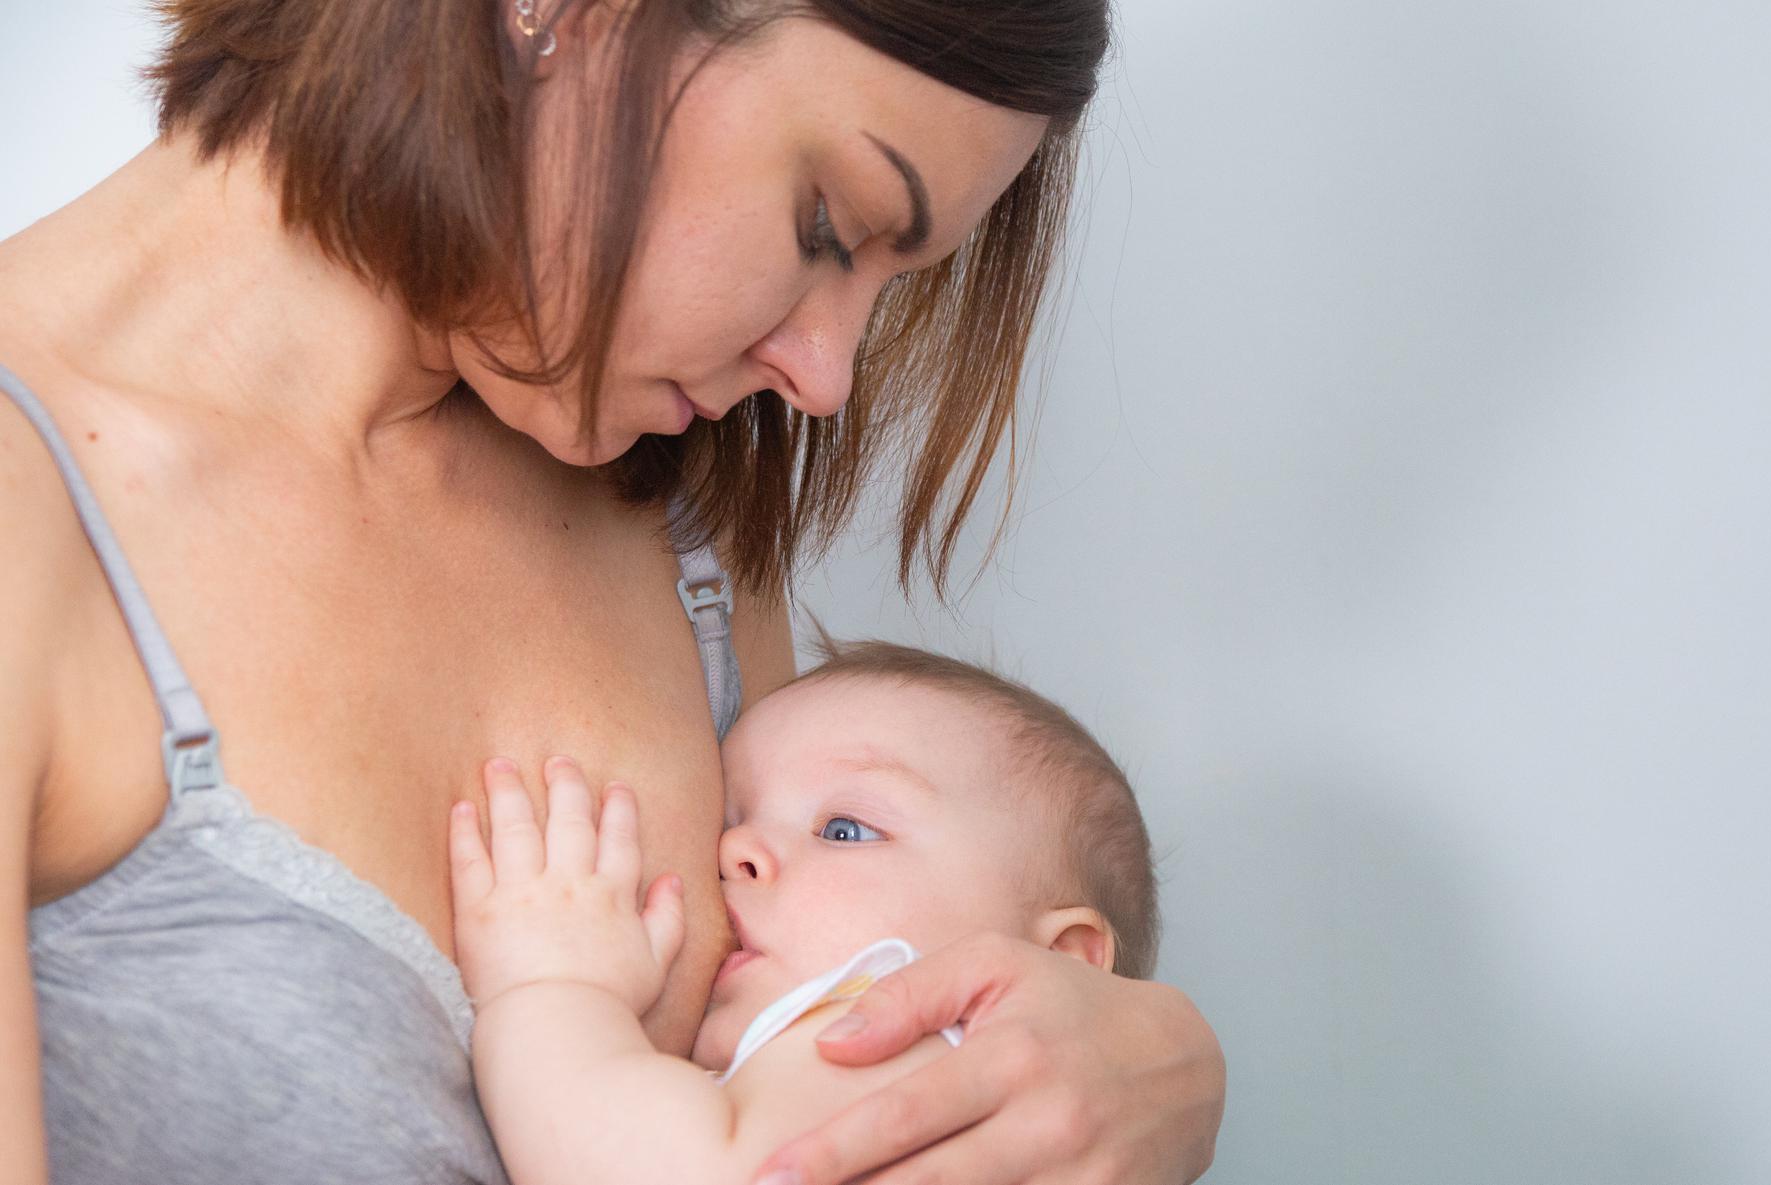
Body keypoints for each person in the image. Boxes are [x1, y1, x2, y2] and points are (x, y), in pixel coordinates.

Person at [0, 2, 1224, 1182]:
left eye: (885, 286)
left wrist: (1137, 1062)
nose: (823, 377)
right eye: (823, 229)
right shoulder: (31, 506)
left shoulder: (676, 529)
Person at [450, 640, 1162, 1185]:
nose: (735, 849)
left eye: (844, 828)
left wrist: (553, 988)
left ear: (1061, 966)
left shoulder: (919, 1054)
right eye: (729, 819)